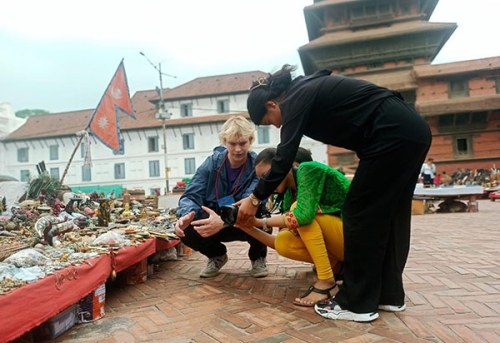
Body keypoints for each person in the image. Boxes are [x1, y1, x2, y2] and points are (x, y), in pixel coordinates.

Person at [236, 64, 432, 322]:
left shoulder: (295, 99)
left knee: (358, 212)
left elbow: (283, 157)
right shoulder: (305, 90)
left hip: (390, 133)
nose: (274, 126)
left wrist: (254, 199)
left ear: (272, 105)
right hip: (411, 128)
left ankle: (357, 303)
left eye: (268, 121)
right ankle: (389, 294)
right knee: (391, 214)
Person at [238, 147, 349, 306]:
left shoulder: (308, 169)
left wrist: (258, 221)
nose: (266, 184)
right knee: (284, 240)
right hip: (342, 245)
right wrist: (246, 226)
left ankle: (326, 281)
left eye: (266, 176)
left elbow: (301, 216)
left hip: (360, 239)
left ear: (283, 165)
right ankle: (338, 266)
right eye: (261, 180)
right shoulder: (290, 193)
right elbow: (282, 241)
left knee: (298, 213)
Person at [174, 116, 268, 278]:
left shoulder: (258, 165)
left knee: (259, 211)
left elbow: (252, 199)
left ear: (251, 140)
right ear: (224, 141)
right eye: (232, 144)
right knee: (187, 227)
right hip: (213, 221)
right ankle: (216, 255)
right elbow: (191, 194)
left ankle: (258, 256)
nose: (238, 149)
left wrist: (225, 220)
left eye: (243, 143)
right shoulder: (211, 163)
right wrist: (185, 215)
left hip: (243, 221)